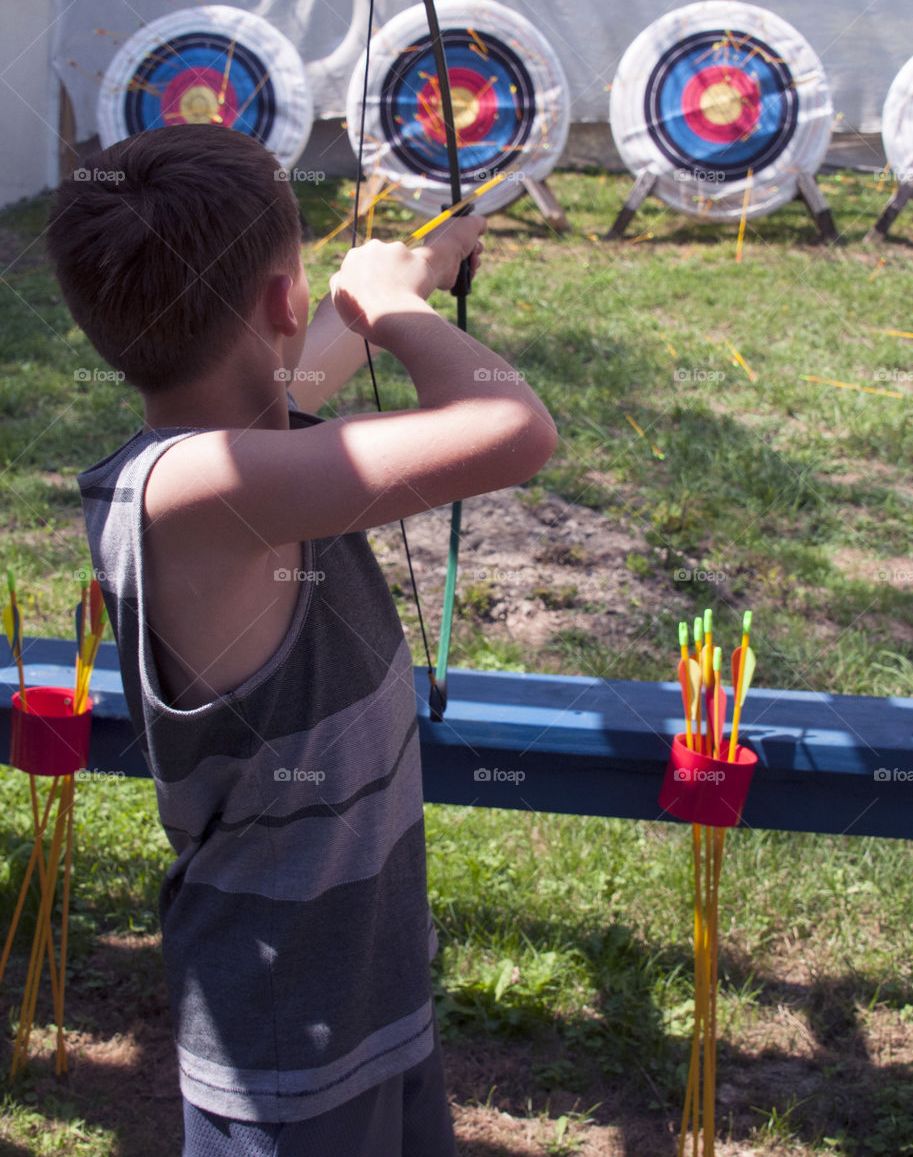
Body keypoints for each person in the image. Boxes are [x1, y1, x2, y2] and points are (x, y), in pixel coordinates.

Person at [46, 125, 556, 1155]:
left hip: (365, 987)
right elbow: (513, 427)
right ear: (280, 301)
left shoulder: (241, 453)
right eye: (299, 290)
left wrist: (412, 266)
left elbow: (302, 368)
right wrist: (397, 307)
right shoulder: (189, 490)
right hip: (283, 1036)